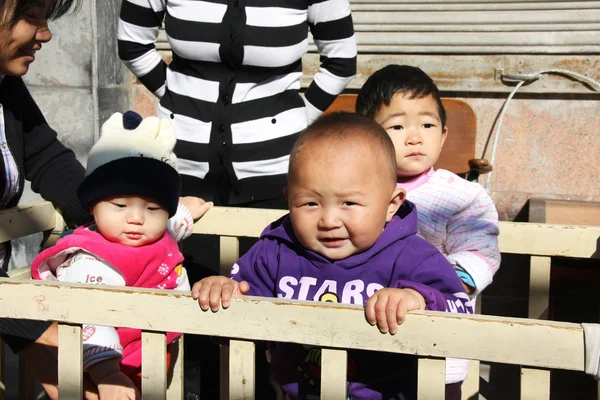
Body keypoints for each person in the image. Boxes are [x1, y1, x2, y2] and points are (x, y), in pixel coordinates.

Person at [118, 2, 357, 396]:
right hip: (181, 171)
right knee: (183, 312)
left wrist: (296, 115)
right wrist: (179, 98)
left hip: (272, 177)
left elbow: (341, 61)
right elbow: (132, 43)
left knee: (264, 310)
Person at [191, 112, 473, 399]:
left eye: (349, 203)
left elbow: (461, 313)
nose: (328, 220)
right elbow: (234, 318)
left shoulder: (412, 257)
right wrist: (223, 291)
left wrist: (419, 299)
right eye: (310, 203)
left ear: (391, 205)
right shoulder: (275, 251)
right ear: (289, 199)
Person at [31, 110, 209, 398]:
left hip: (151, 350)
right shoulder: (89, 258)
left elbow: (171, 228)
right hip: (110, 362)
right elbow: (92, 316)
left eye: (152, 208)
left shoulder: (154, 232)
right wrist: (108, 374)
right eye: (120, 205)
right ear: (93, 205)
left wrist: (187, 212)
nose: (137, 219)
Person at [356, 64, 501, 397]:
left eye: (427, 124)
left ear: (443, 134)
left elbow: (479, 255)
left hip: (435, 348)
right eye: (397, 125)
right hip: (364, 342)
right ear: (367, 134)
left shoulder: (462, 196)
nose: (415, 137)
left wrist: (424, 293)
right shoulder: (351, 192)